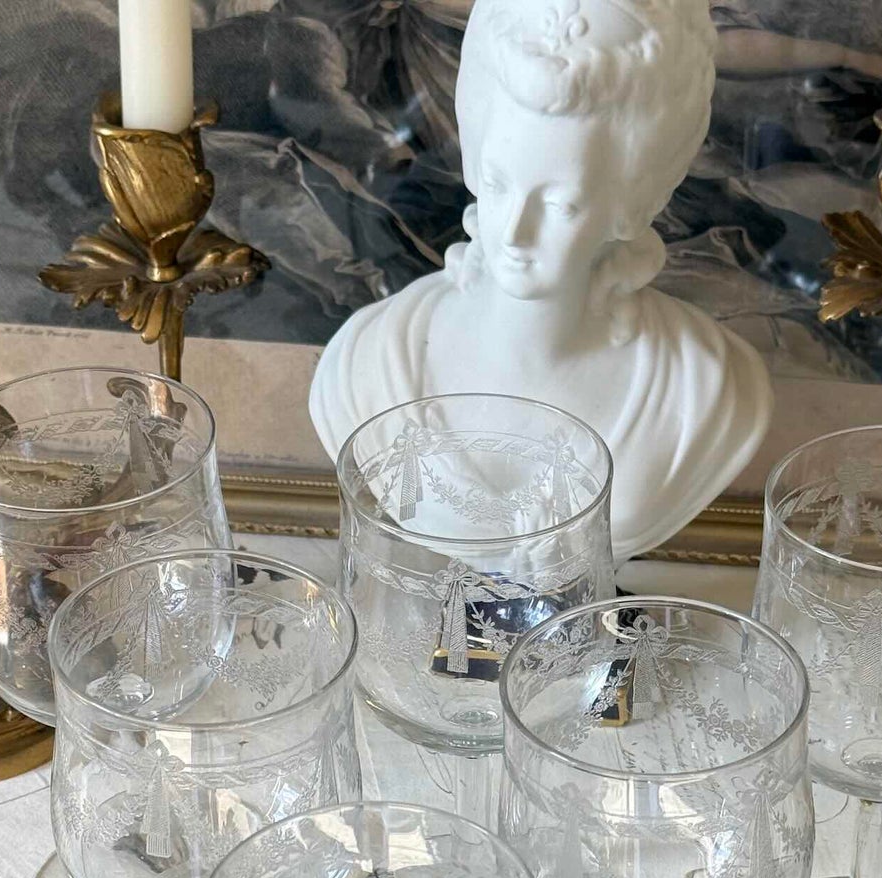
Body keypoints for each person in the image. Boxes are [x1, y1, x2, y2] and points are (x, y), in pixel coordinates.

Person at [310, 0, 772, 560]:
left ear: (630, 205)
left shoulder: (701, 392)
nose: (515, 231)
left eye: (560, 205)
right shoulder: (369, 366)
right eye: (498, 184)